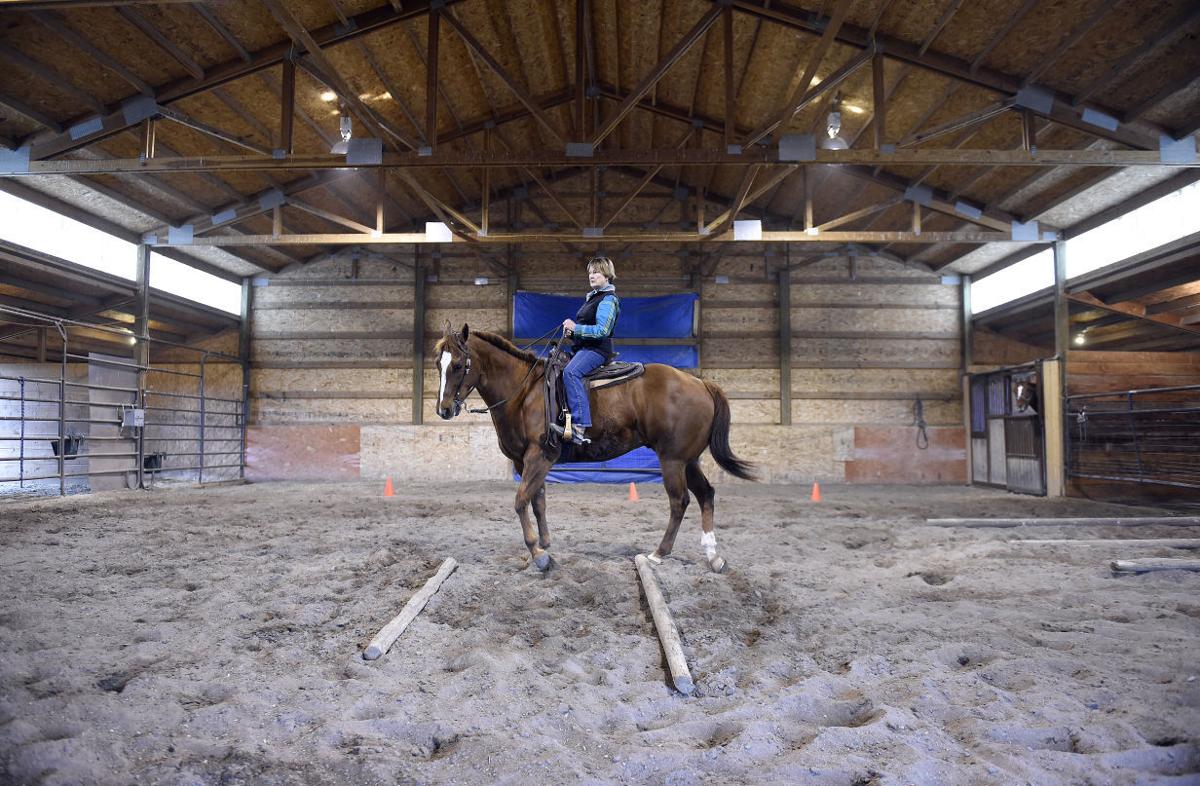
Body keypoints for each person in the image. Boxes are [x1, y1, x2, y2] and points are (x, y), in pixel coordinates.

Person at [555, 256, 620, 445]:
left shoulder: (608, 300)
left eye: (597, 272)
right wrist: (572, 335)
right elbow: (587, 330)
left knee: (572, 372)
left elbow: (602, 331)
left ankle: (578, 426)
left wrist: (576, 329)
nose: (592, 276)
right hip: (585, 347)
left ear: (607, 275)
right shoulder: (593, 297)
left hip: (597, 350)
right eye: (590, 272)